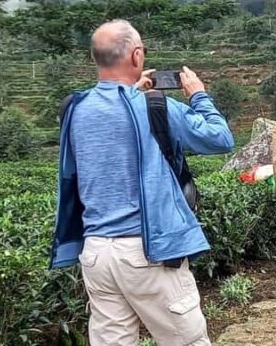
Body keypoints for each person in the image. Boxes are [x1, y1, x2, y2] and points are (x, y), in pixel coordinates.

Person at [50, 20, 234, 345]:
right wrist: (199, 95)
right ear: (137, 56)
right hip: (148, 250)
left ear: (97, 59)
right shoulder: (156, 105)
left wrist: (135, 91)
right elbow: (220, 139)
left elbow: (113, 123)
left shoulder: (75, 108)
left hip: (95, 254)